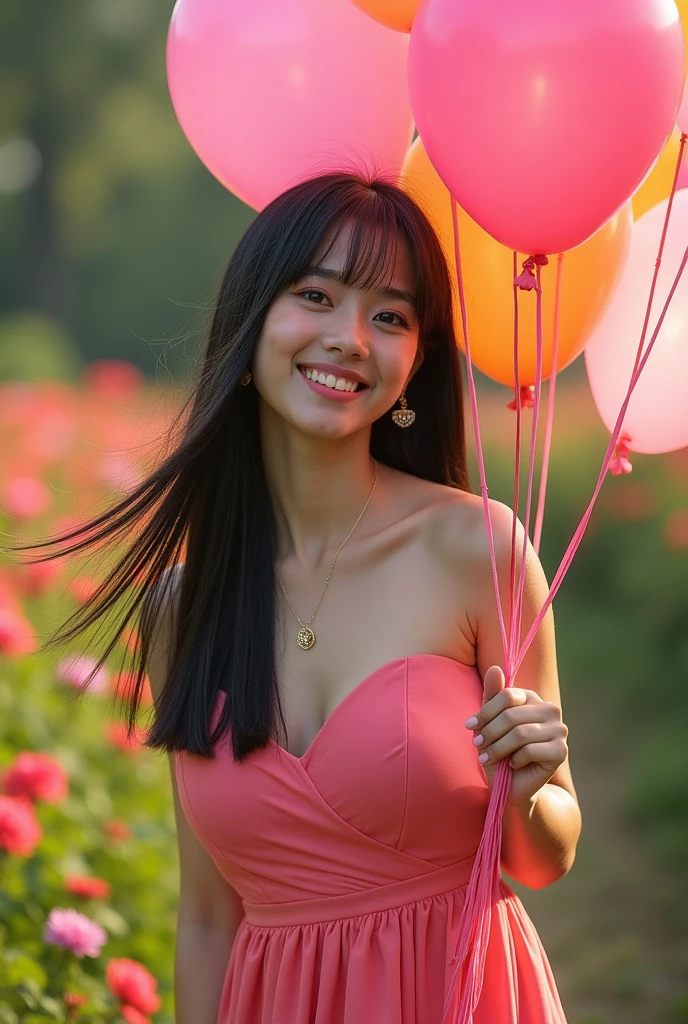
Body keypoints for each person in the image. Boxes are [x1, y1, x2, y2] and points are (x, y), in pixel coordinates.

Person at [20, 171, 580, 1023]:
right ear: (251, 325)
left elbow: (542, 860)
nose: (349, 337)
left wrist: (535, 787)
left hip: (457, 994)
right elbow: (208, 917)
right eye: (315, 295)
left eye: (389, 316)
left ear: (415, 361)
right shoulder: (186, 604)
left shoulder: (479, 548)